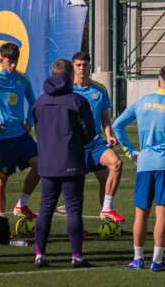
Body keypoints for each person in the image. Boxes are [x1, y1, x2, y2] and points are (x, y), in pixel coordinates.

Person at [113, 64, 165, 272]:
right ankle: (157, 261)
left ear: (159, 79)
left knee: (141, 213)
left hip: (145, 163)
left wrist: (131, 151)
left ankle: (138, 258)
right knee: (162, 215)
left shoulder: (142, 102)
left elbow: (117, 125)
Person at [30, 58, 97, 268]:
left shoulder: (40, 102)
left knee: (45, 208)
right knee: (73, 209)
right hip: (71, 161)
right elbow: (90, 132)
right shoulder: (77, 101)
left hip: (47, 162)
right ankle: (76, 255)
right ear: (69, 76)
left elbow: (36, 129)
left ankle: (39, 253)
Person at [0, 41, 41, 218]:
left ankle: (21, 205)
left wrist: (29, 122)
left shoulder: (23, 79)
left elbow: (33, 103)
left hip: (21, 136)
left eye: (15, 61)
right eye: (9, 62)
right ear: (1, 59)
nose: (13, 65)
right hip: (1, 139)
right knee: (1, 181)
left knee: (41, 165)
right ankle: (1, 221)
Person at [70, 51, 126, 225]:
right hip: (74, 146)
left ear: (90, 66)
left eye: (85, 65)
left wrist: (109, 135)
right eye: (78, 65)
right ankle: (77, 227)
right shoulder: (67, 89)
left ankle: (106, 212)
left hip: (95, 143)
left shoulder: (100, 89)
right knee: (76, 186)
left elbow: (105, 118)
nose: (82, 68)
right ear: (73, 66)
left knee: (115, 164)